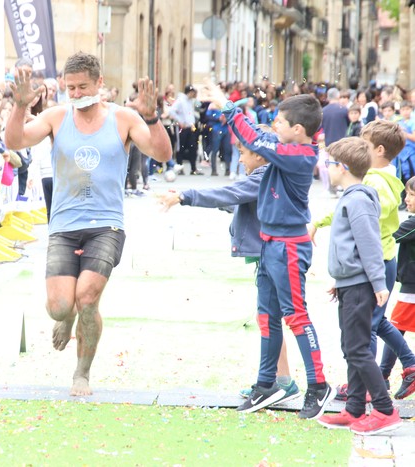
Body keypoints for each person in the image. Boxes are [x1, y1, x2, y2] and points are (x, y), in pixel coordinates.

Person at [4, 51, 172, 396]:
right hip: (64, 224)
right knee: (60, 306)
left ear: (99, 83)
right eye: (71, 88)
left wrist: (153, 118)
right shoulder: (56, 116)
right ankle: (67, 318)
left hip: (106, 224)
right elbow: (15, 141)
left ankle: (82, 373)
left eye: (83, 86)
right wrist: (19, 107)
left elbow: (162, 154)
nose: (77, 94)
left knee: (88, 297)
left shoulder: (123, 118)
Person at [203, 81, 334, 419]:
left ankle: (318, 385)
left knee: (295, 316)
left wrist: (227, 106)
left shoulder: (299, 155)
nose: (274, 126)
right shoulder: (289, 148)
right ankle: (268, 384)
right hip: (270, 245)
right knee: (266, 317)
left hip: (288, 248)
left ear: (298, 129)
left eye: (279, 121)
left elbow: (254, 139)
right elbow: (258, 140)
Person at [159, 125, 300, 404]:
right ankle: (281, 381)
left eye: (243, 154)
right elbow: (238, 202)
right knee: (270, 321)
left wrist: (185, 197)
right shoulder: (268, 176)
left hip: (275, 256)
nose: (241, 160)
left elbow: (229, 194)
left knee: (271, 321)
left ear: (260, 156)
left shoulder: (263, 175)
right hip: (270, 256)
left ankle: (275, 383)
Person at [311, 120, 415, 402]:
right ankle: (382, 375)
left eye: (365, 145)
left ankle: (367, 387)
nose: (359, 148)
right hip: (378, 259)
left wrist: (319, 222)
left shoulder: (375, 182)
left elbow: (361, 219)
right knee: (374, 322)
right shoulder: (381, 179)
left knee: (365, 327)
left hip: (375, 260)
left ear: (379, 150)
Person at [379, 175, 415, 400]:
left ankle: (383, 376)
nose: (407, 199)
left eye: (411, 195)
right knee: (395, 327)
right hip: (409, 284)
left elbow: (390, 237)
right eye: (407, 194)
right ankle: (382, 376)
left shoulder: (412, 224)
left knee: (393, 327)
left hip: (412, 287)